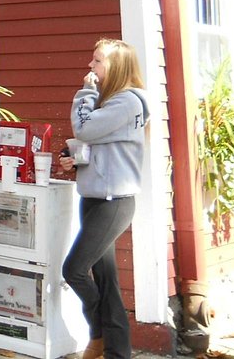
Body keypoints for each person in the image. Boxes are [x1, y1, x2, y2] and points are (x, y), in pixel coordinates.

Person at [59, 39, 149, 359]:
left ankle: (98, 331)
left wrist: (86, 91)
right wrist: (75, 158)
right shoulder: (113, 102)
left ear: (115, 67)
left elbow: (84, 128)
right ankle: (113, 351)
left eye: (97, 61)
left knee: (74, 270)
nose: (90, 68)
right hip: (96, 196)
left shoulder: (126, 102)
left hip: (114, 201)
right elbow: (100, 144)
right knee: (107, 281)